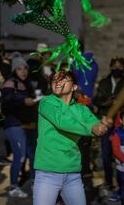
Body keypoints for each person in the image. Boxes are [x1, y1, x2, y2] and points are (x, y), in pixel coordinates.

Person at [33, 69, 110, 205]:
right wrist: (92, 128)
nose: (57, 82)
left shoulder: (81, 109)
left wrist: (101, 126)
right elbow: (63, 121)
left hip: (72, 173)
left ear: (74, 86)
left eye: (62, 80)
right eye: (55, 80)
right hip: (48, 173)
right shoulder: (47, 102)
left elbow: (93, 123)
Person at [1, 56, 38, 198]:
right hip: (14, 124)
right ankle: (13, 187)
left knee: (34, 157)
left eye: (25, 68)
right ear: (14, 70)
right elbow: (7, 100)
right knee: (20, 156)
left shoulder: (27, 84)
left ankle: (35, 183)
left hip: (28, 125)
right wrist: (23, 100)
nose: (23, 71)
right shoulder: (10, 83)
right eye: (19, 68)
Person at [93, 56, 124, 198]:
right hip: (105, 122)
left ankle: (123, 184)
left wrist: (119, 103)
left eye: (120, 66)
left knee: (120, 154)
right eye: (114, 66)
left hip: (121, 123)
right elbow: (96, 100)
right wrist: (107, 102)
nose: (117, 69)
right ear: (110, 67)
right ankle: (109, 182)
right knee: (106, 154)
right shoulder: (104, 82)